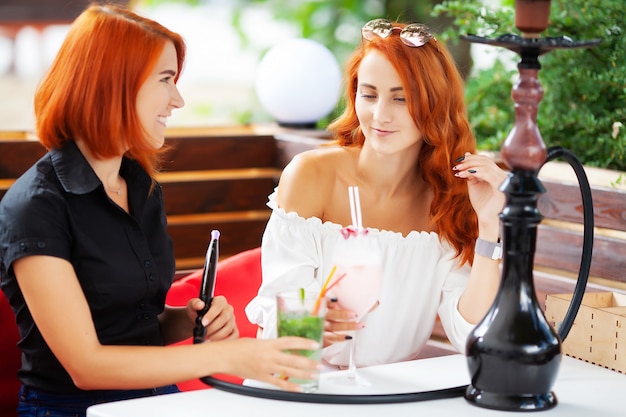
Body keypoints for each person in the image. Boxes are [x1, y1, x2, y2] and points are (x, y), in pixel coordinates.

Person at [0, 4, 319, 416]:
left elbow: (131, 328)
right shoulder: (34, 207)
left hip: (155, 400)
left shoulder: (139, 186)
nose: (178, 99)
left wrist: (184, 320)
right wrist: (231, 357)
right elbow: (87, 366)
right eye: (166, 80)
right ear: (115, 85)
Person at [245, 18, 509, 368]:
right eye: (368, 94)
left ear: (435, 105)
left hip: (388, 395)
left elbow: (471, 335)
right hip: (298, 384)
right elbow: (279, 330)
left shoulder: (449, 201)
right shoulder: (311, 176)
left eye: (401, 99)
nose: (380, 115)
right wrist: (313, 322)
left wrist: (490, 228)